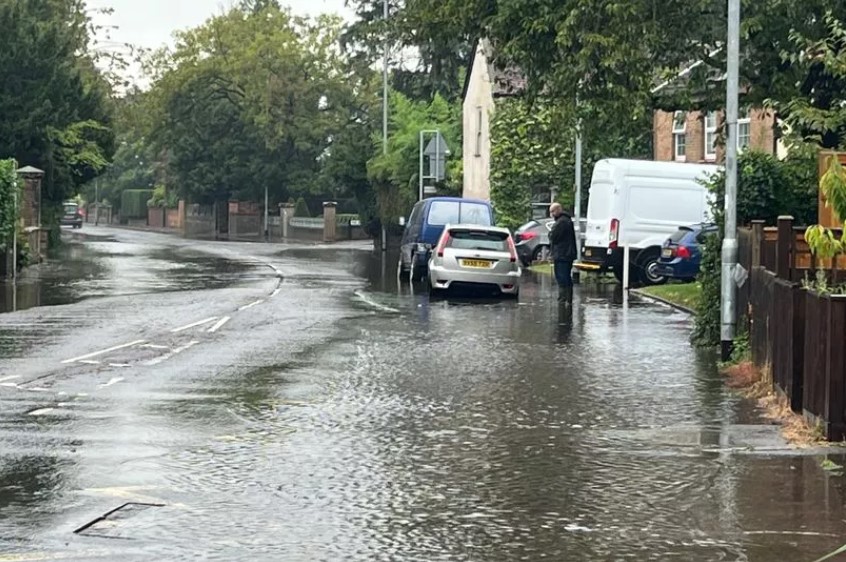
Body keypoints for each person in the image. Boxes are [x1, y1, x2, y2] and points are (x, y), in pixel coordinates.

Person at [548, 202, 577, 305]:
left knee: (561, 277)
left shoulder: (561, 222)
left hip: (562, 254)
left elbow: (553, 237)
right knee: (566, 277)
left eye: (552, 211)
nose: (551, 214)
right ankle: (568, 299)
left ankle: (563, 299)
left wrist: (551, 233)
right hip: (567, 254)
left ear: (558, 210)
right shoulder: (567, 220)